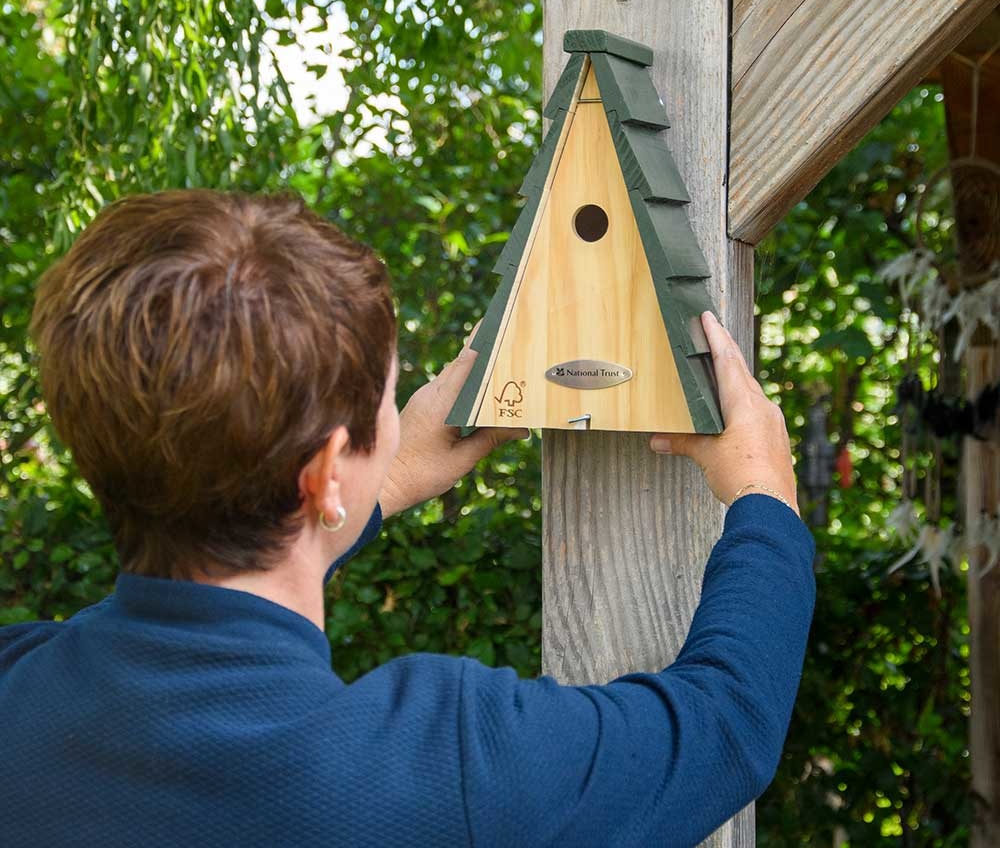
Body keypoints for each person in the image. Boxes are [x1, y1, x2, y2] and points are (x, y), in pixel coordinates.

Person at [0, 189, 814, 848]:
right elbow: (725, 723)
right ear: (322, 472)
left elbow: (193, 621)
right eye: (388, 402)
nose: (398, 420)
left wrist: (377, 486)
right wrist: (764, 493)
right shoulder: (446, 767)